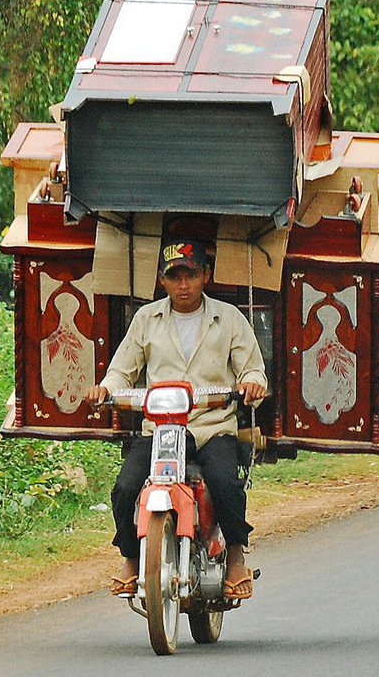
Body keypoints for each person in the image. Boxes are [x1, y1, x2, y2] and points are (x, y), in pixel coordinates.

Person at [86, 239, 267, 600]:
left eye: (192, 275)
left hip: (211, 427)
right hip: (162, 430)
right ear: (162, 280)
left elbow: (253, 370)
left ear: (206, 276)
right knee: (125, 488)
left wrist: (251, 384)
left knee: (225, 483)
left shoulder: (229, 318)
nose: (183, 285)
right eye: (175, 277)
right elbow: (121, 371)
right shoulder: (146, 319)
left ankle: (234, 555)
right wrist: (106, 390)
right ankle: (133, 558)